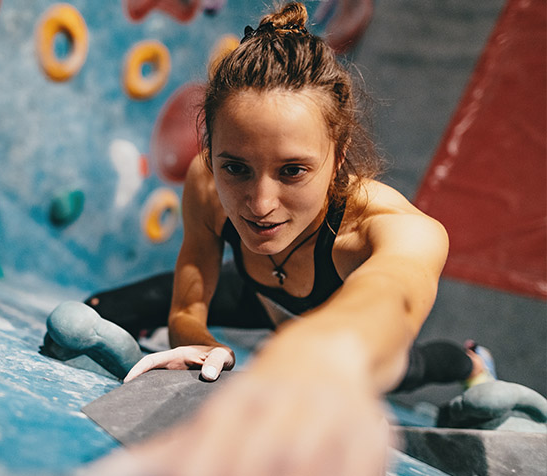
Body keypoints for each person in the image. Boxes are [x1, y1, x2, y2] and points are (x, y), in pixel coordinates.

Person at [48, 3, 492, 474]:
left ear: (338, 157)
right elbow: (187, 306)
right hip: (254, 290)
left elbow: (392, 299)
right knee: (96, 312)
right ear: (211, 152)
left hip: (335, 316)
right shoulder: (204, 184)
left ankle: (469, 362)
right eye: (235, 168)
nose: (260, 205)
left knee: (401, 369)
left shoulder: (392, 228)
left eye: (293, 171)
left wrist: (315, 361)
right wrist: (197, 344)